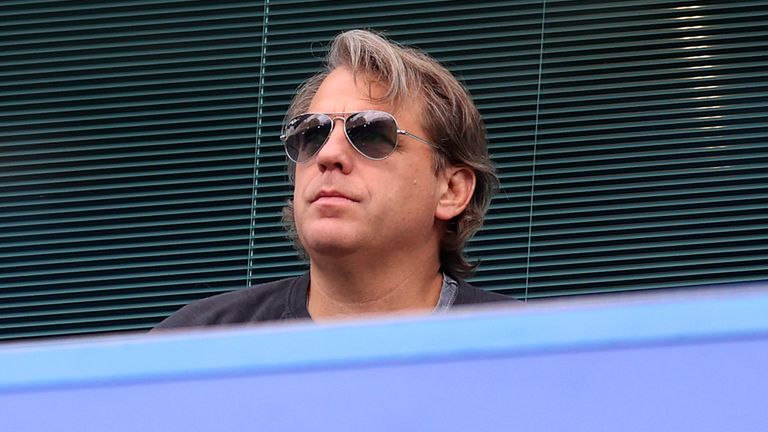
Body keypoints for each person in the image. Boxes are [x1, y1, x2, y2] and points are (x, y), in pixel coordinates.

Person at [154, 29, 516, 330]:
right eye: (312, 134)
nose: (328, 155)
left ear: (451, 190)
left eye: (372, 134)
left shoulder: (528, 354)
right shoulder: (195, 345)